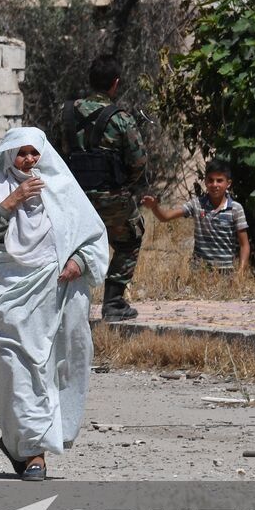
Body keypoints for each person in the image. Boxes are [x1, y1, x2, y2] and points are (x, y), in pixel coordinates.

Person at [0, 127, 109, 481]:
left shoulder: (60, 188)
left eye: (33, 153)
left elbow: (91, 236)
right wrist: (12, 201)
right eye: (21, 153)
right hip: (5, 297)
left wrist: (79, 261)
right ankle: (31, 451)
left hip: (54, 295)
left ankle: (28, 448)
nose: (28, 160)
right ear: (9, 155)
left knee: (53, 368)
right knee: (16, 372)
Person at [61, 53, 149, 321]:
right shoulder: (121, 118)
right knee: (130, 238)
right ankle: (113, 302)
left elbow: (53, 154)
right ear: (115, 83)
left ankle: (63, 302)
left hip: (72, 198)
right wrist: (123, 187)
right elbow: (139, 161)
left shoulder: (65, 113)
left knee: (68, 245)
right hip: (111, 197)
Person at [141, 159, 251, 276]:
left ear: (228, 183)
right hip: (199, 272)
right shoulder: (197, 204)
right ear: (205, 181)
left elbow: (244, 245)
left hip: (225, 273)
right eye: (210, 180)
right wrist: (154, 207)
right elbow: (165, 217)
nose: (214, 185)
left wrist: (240, 274)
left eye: (219, 181)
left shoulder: (235, 208)